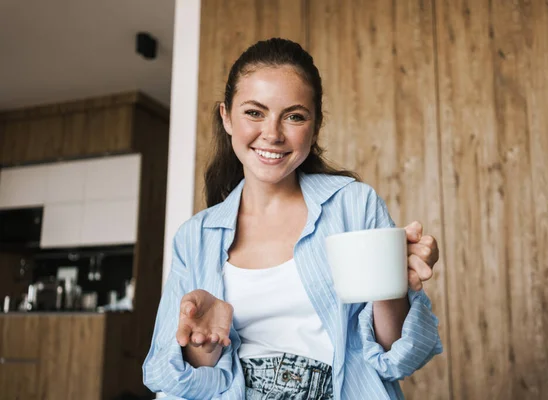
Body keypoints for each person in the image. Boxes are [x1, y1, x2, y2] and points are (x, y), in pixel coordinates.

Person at [143, 38, 442, 400]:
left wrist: (392, 286)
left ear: (314, 127)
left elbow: (396, 359)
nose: (272, 133)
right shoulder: (196, 236)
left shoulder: (352, 203)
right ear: (226, 117)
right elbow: (182, 381)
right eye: (254, 112)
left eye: (294, 116)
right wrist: (203, 342)